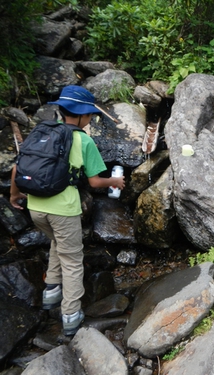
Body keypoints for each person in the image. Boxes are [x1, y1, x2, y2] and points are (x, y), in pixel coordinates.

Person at [9, 85, 126, 336]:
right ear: (83, 115)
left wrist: (14, 194)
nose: (91, 119)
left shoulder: (41, 131)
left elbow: (17, 168)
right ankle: (71, 316)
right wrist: (114, 182)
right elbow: (95, 182)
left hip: (36, 207)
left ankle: (51, 294)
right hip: (63, 210)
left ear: (61, 110)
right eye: (90, 115)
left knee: (56, 244)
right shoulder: (83, 140)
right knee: (73, 261)